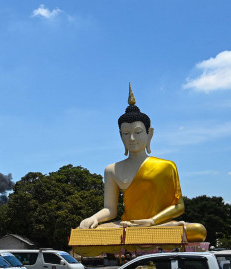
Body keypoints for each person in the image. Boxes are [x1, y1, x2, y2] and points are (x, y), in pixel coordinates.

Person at [77, 85, 206, 242]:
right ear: (120, 136)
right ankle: (140, 233)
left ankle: (147, 231)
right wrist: (93, 218)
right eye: (126, 134)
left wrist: (151, 221)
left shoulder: (166, 166)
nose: (131, 139)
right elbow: (110, 209)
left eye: (137, 132)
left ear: (149, 134)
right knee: (83, 232)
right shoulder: (112, 170)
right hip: (126, 225)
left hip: (159, 224)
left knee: (198, 230)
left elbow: (179, 206)